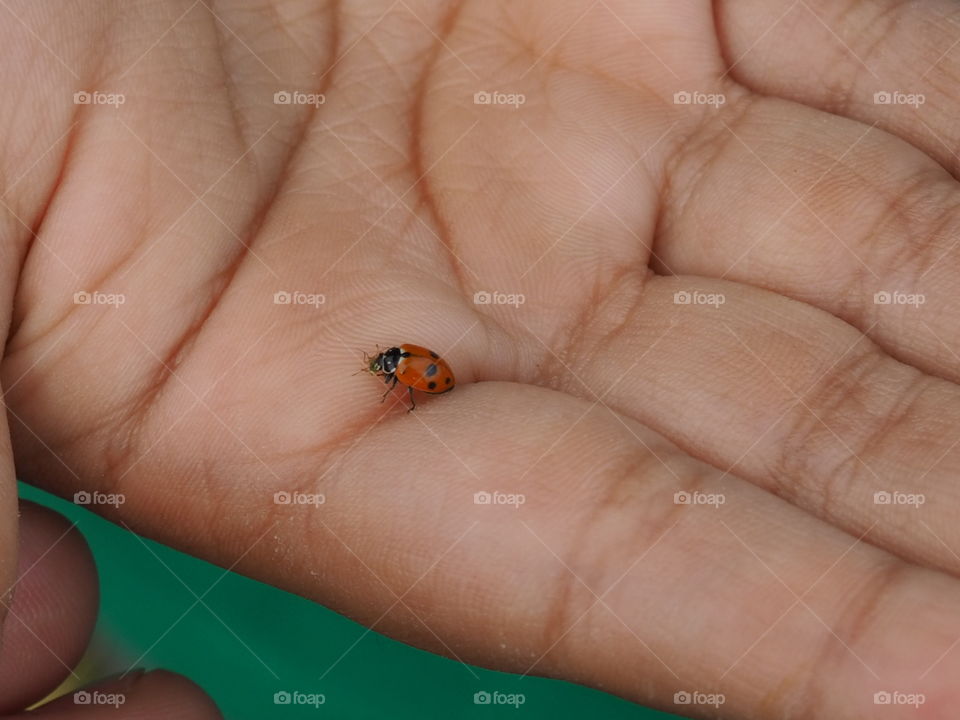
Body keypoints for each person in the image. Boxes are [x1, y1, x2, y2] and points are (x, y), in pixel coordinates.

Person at [1, 0, 958, 717]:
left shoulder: (397, 369)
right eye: (396, 373)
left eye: (394, 373)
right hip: (283, 605)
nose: (394, 375)